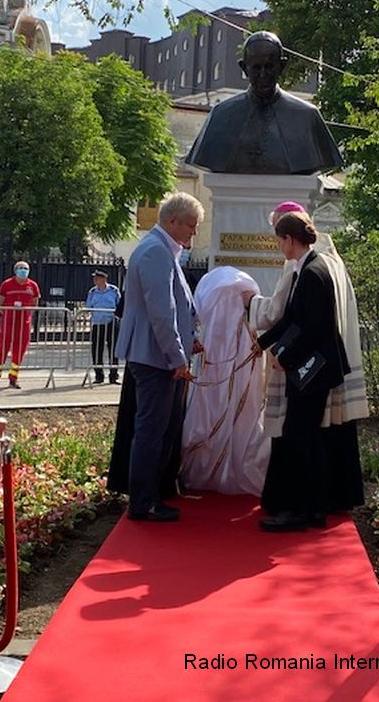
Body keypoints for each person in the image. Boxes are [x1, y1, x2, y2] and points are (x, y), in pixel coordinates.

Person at [246, 201, 367, 513]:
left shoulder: (312, 272)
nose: (278, 246)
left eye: (278, 239)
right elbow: (290, 319)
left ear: (289, 239)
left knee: (304, 440)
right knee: (305, 438)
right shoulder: (308, 266)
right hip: (309, 369)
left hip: (313, 370)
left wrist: (283, 356)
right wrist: (264, 343)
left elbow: (312, 327)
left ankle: (301, 512)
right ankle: (307, 510)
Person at [115, 192, 205, 522]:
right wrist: (178, 358)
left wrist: (189, 341)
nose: (193, 233)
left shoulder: (162, 249)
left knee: (157, 430)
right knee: (152, 431)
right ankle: (143, 502)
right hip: (156, 359)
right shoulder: (156, 252)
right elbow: (161, 313)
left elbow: (175, 309)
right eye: (191, 226)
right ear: (172, 221)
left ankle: (151, 496)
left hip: (159, 356)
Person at [185, 31, 341, 175]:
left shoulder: (307, 117)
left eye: (269, 66)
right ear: (244, 68)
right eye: (256, 67)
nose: (263, 74)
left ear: (281, 67)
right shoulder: (220, 116)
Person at [181, 267, 269, 494]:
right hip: (221, 357)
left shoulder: (240, 337)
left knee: (228, 411)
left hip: (226, 357)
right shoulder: (245, 336)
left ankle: (211, 470)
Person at [0, 261, 40, 389]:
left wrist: (27, 314)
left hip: (24, 323)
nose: (23, 270)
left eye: (26, 268)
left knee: (19, 352)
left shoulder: (33, 286)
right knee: (2, 350)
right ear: (15, 270)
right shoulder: (6, 284)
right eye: (20, 268)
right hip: (8, 322)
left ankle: (13, 379)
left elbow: (35, 303)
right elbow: (0, 303)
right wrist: (8, 314)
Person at [86, 269, 121, 384]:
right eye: (94, 278)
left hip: (111, 323)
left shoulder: (113, 290)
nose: (94, 280)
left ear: (104, 279)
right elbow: (88, 306)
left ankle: (113, 376)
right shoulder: (92, 292)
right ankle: (99, 376)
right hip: (98, 323)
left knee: (113, 349)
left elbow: (119, 305)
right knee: (96, 350)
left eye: (97, 278)